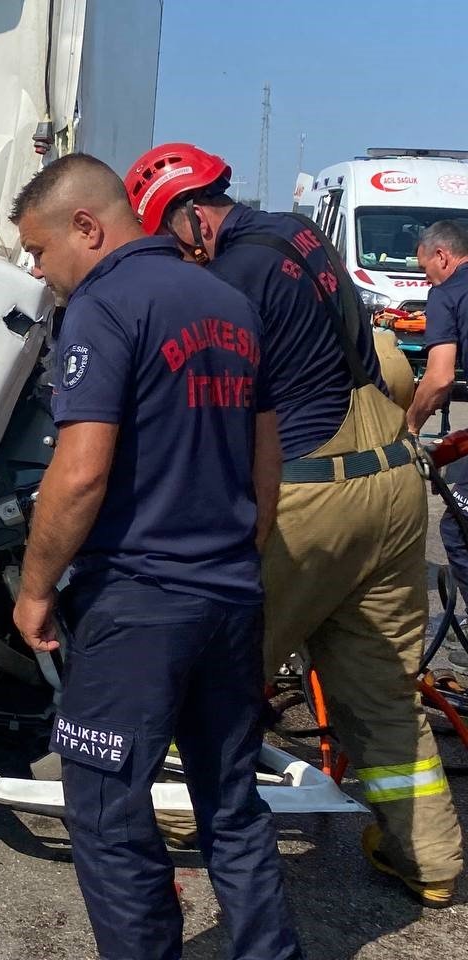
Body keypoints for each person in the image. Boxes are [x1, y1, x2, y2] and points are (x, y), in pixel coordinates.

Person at [125, 143, 462, 907]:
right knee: (380, 686)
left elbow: (215, 403)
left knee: (210, 668)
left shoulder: (228, 275)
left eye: (173, 238)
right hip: (390, 480)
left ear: (191, 214)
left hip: (310, 496)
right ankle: (429, 860)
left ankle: (173, 820)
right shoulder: (299, 232)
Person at [10, 153, 299, 960]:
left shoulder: (104, 306)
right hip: (231, 597)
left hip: (138, 605)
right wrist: (244, 549)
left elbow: (81, 472)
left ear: (88, 227)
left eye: (39, 251)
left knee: (107, 813)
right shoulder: (231, 304)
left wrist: (34, 589)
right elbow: (265, 453)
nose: (39, 271)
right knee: (232, 804)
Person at [408, 221, 468, 613]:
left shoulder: (447, 294)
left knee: (459, 528)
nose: (427, 279)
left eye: (426, 269)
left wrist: (410, 423)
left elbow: (440, 376)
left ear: (442, 256)